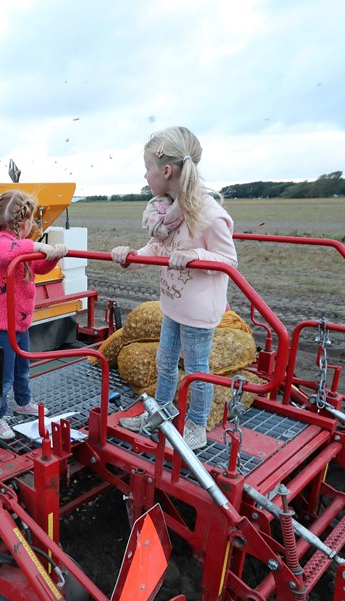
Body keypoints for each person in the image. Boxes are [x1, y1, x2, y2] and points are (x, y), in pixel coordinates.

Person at [110, 126, 238, 450]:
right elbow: (156, 248)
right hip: (174, 305)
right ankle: (161, 414)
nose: (145, 177)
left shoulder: (209, 215)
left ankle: (195, 427)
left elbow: (229, 260)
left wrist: (196, 255)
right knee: (164, 363)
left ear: (166, 171)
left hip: (197, 312)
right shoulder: (166, 213)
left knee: (197, 371)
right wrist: (132, 256)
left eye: (147, 170)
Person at [0, 190, 69, 440]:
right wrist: (38, 244)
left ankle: (23, 402)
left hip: (19, 324)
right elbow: (9, 252)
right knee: (4, 375)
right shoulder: (0, 242)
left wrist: (53, 255)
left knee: (22, 368)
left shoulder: (19, 246)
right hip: (0, 327)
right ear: (23, 223)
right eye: (30, 222)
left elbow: (38, 266)